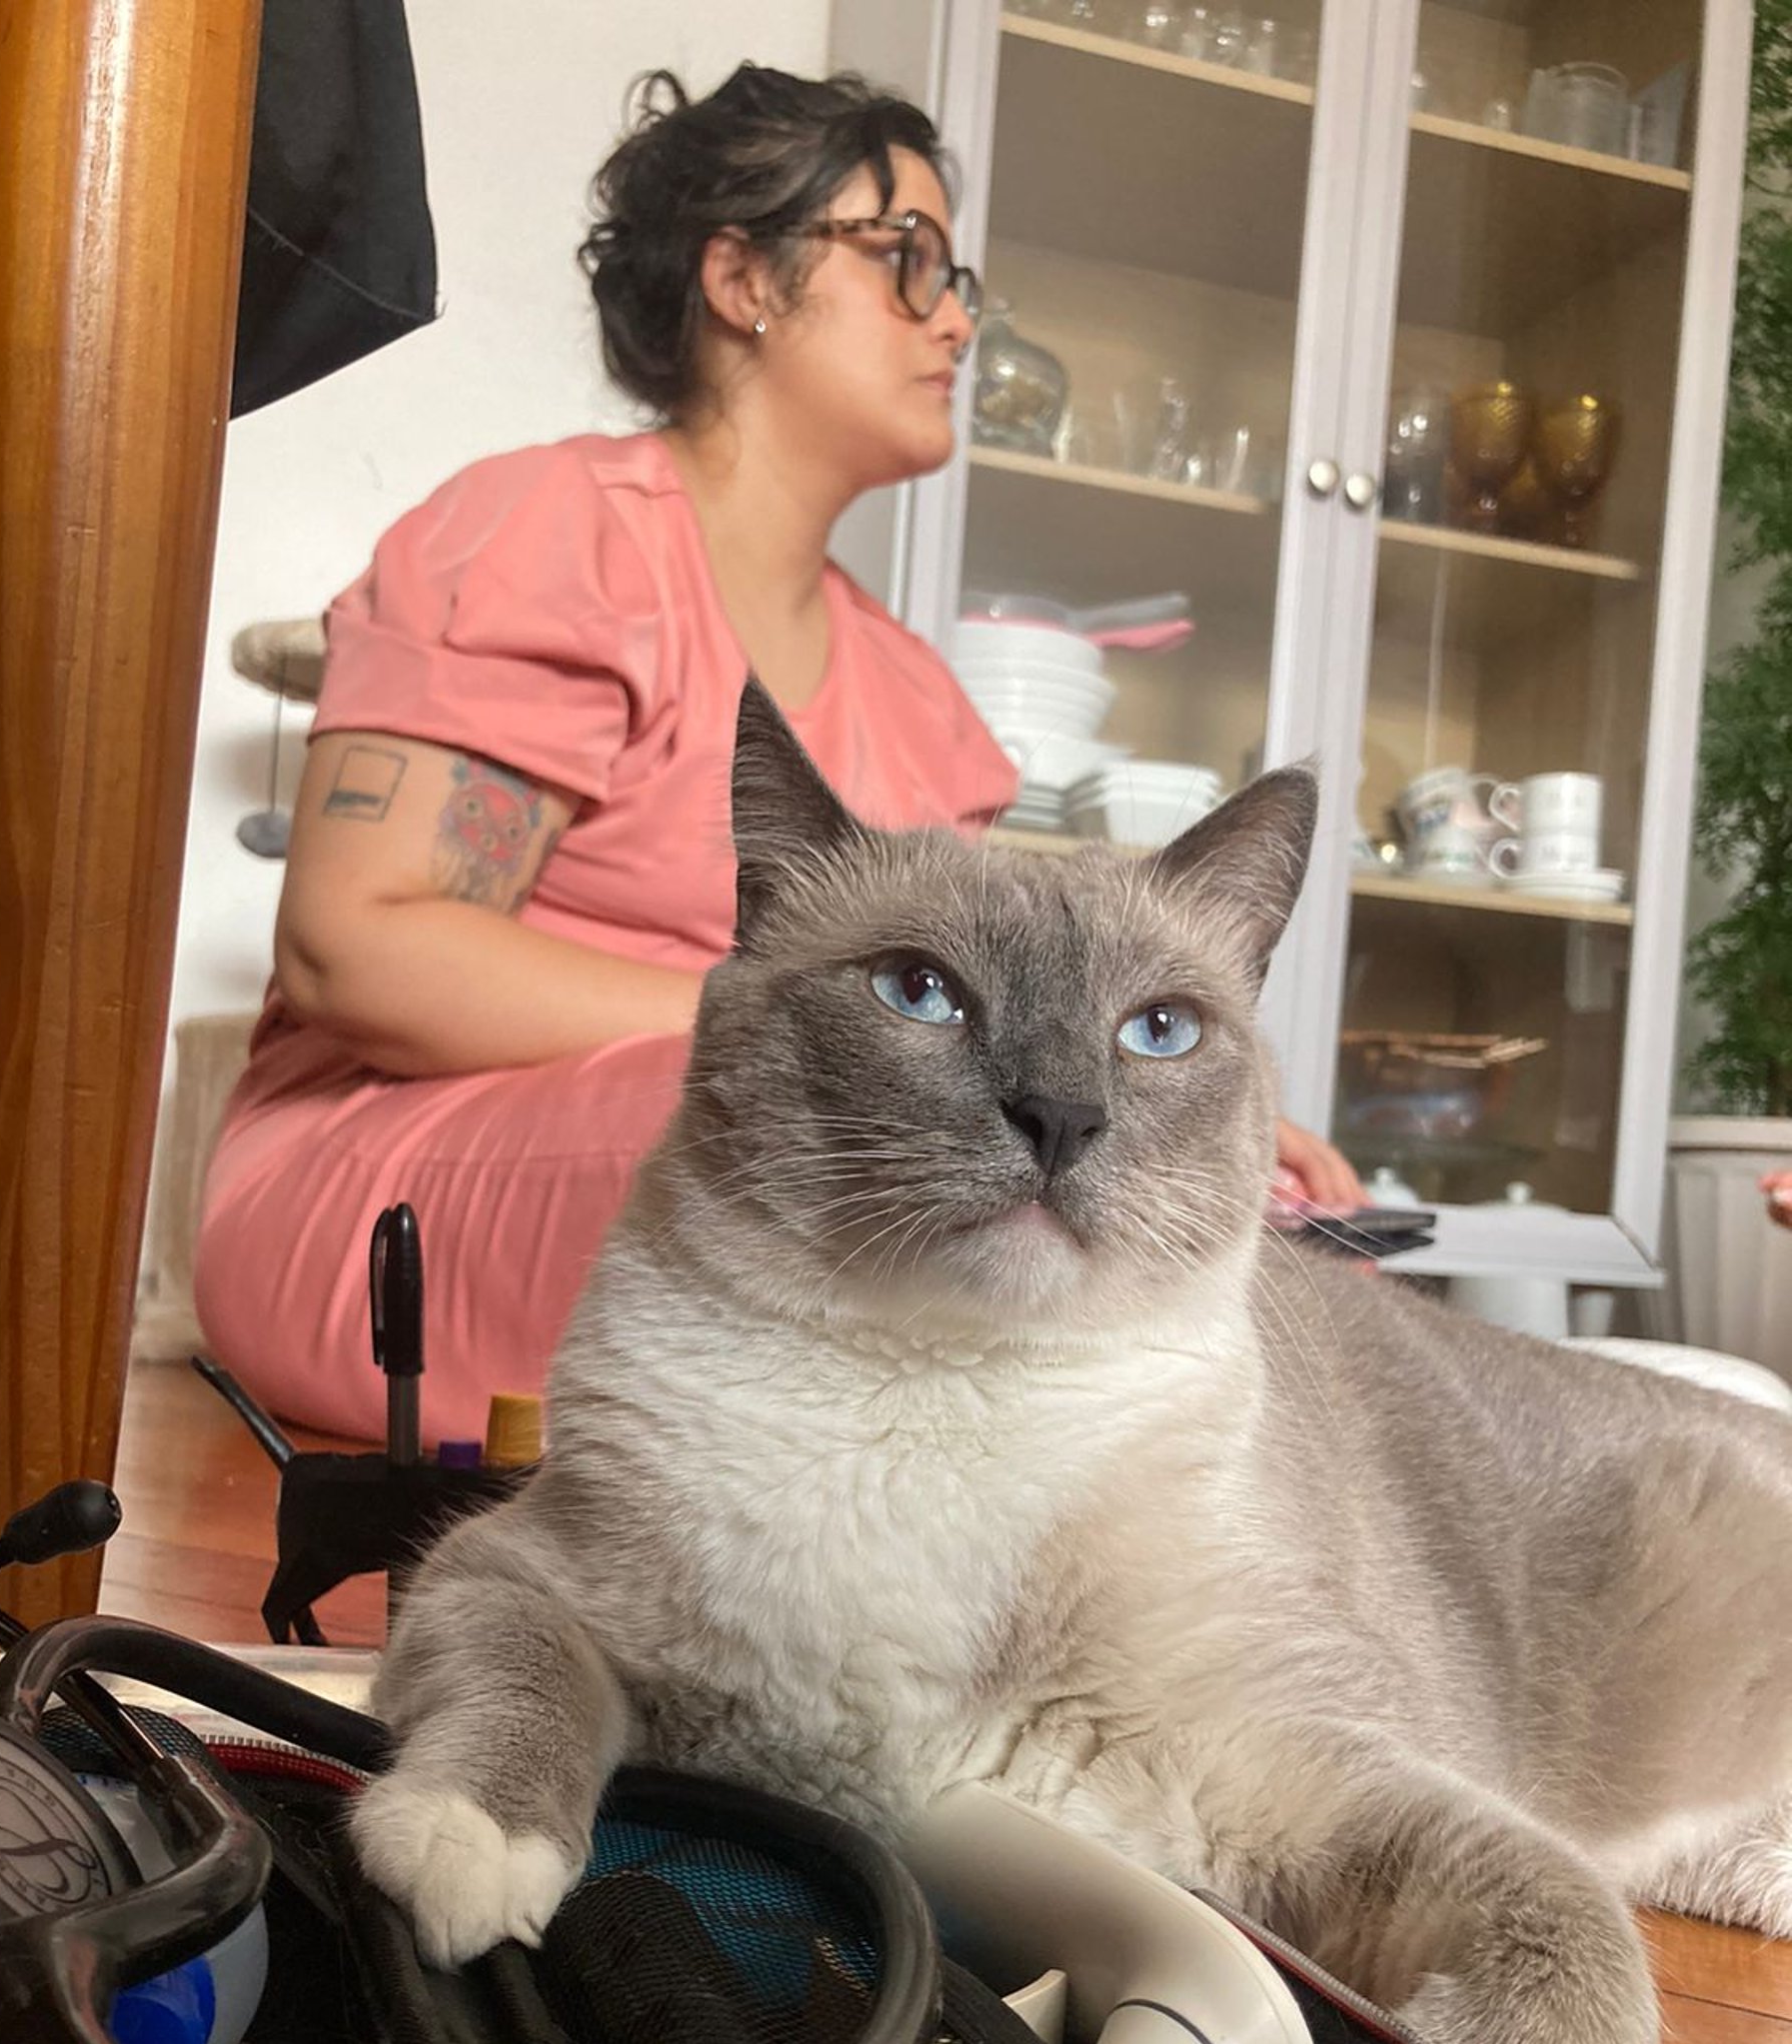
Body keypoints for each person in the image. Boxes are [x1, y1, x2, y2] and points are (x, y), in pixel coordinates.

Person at [194, 62, 1362, 1449]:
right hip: (369, 1186)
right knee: (798, 1091)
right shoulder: (547, 532)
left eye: (961, 280)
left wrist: (1184, 1116)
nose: (959, 320)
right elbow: (355, 946)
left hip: (730, 1166)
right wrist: (795, 1011)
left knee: (1170, 1179)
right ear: (743, 277)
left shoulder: (919, 699)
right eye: (907, 261)